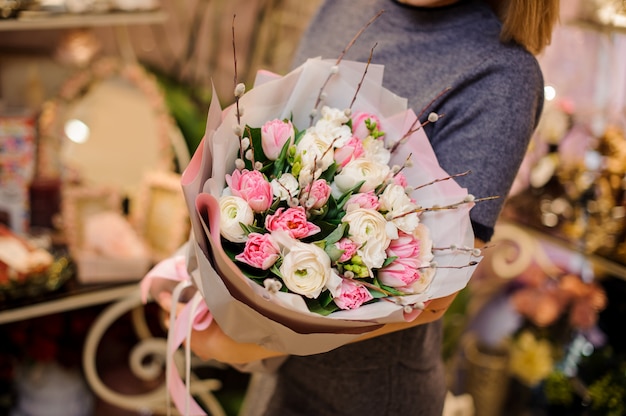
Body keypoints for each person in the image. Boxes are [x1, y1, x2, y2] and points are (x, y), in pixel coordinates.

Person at [156, 0, 560, 414]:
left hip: (366, 394)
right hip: (277, 378)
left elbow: (436, 295)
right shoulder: (343, 7)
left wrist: (242, 343)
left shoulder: (502, 72)